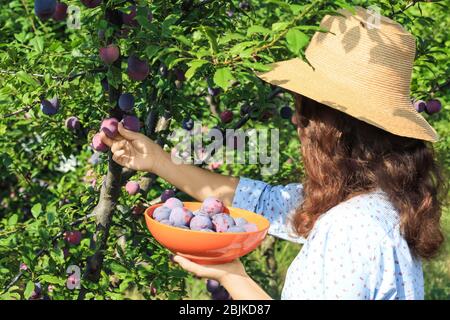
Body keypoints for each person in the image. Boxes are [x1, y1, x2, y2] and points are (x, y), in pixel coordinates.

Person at [99, 7, 446, 300]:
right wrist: (157, 160)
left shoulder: (350, 229)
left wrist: (233, 277)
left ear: (333, 127)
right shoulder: (378, 202)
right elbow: (258, 201)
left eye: (305, 111)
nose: (297, 120)